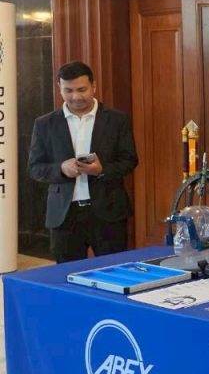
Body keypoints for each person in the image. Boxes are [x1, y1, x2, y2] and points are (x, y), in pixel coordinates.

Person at [28, 61, 138, 262]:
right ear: (59, 88)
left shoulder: (117, 120)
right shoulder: (44, 124)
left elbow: (129, 160)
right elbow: (35, 168)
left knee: (112, 271)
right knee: (67, 274)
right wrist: (61, 169)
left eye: (81, 90)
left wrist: (101, 170)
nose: (76, 97)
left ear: (93, 86)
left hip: (108, 213)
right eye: (68, 90)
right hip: (64, 216)